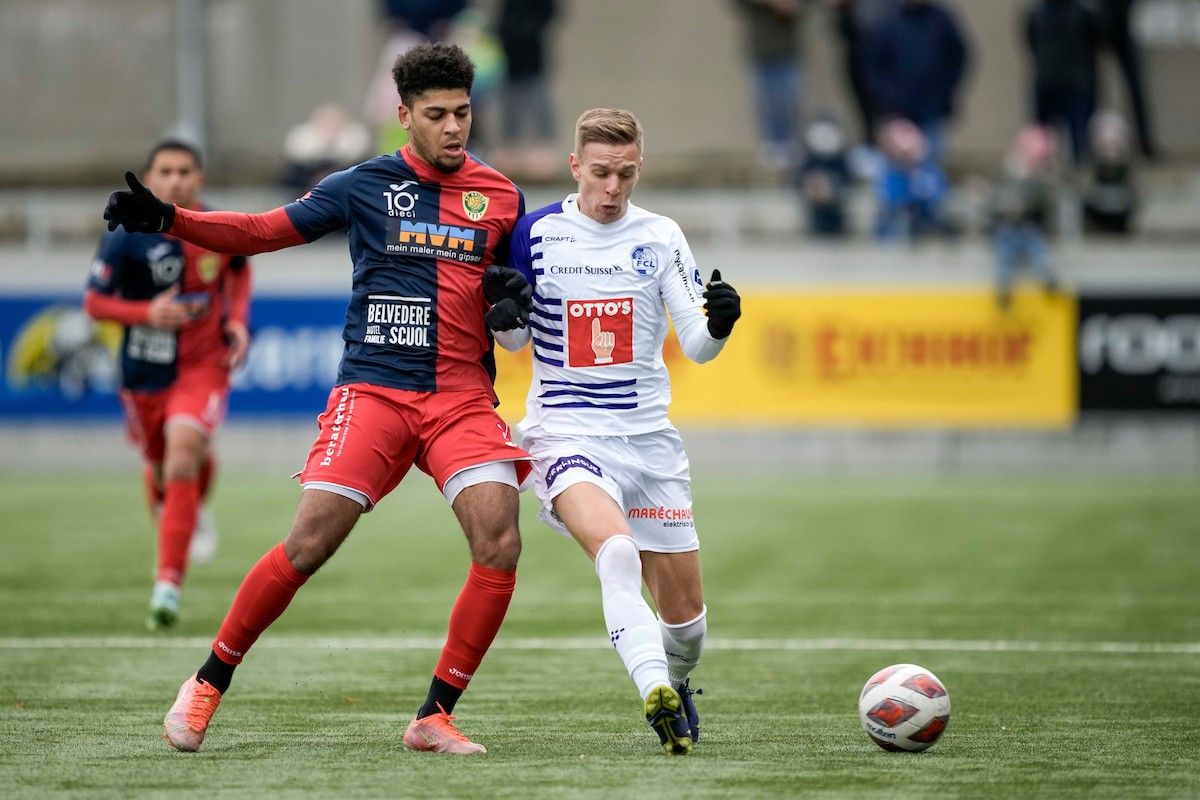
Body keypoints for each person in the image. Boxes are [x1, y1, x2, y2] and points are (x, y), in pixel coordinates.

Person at [104, 42, 533, 756]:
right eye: (437, 115)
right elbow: (260, 232)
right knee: (308, 545)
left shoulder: (502, 197)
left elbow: (515, 320)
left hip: (461, 397)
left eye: (463, 112)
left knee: (501, 538)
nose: (455, 127)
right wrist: (171, 220)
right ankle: (207, 681)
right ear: (404, 117)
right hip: (376, 390)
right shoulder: (362, 184)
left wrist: (511, 307)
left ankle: (433, 716)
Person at [487, 108, 742, 754]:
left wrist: (719, 325)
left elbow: (696, 343)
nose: (612, 188)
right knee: (618, 553)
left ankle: (675, 677)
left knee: (688, 628)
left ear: (639, 168)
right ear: (575, 166)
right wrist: (505, 315)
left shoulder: (661, 235)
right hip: (566, 435)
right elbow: (514, 340)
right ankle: (655, 691)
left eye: (626, 174)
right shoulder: (536, 232)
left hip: (650, 445)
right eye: (600, 172)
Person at [84, 139, 252, 631]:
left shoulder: (216, 226)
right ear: (150, 178)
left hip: (203, 365)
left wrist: (238, 321)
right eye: (165, 171)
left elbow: (239, 270)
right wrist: (146, 313)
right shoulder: (126, 233)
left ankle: (167, 586)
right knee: (163, 470)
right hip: (144, 373)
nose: (175, 180)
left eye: (184, 171)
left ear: (199, 178)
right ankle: (190, 505)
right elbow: (95, 303)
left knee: (182, 455)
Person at [866, 0, 969, 166]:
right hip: (898, 112)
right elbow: (874, 65)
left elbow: (958, 57)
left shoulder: (941, 20)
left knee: (930, 164)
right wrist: (887, 98)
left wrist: (943, 90)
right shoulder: (889, 21)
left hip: (932, 110)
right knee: (897, 166)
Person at [989, 125, 1061, 309]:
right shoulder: (1004, 177)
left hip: (1028, 227)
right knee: (1005, 254)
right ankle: (1004, 287)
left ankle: (1047, 277)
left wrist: (1027, 203)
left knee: (1037, 248)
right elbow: (993, 202)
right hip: (1007, 228)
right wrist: (1004, 208)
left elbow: (1046, 206)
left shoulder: (1039, 181)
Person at [732, 0, 808, 172]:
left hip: (789, 44)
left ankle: (790, 142)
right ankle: (771, 144)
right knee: (767, 99)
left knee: (789, 98)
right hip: (761, 45)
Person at [1024, 0, 1105, 164]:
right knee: (1061, 139)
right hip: (1074, 83)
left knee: (1047, 139)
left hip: (1052, 81)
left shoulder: (1037, 14)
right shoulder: (1083, 13)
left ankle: (1061, 168)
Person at [279, 103, 372, 194]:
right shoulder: (303, 134)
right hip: (309, 171)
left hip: (343, 169)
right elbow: (297, 153)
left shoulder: (354, 133)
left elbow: (354, 154)